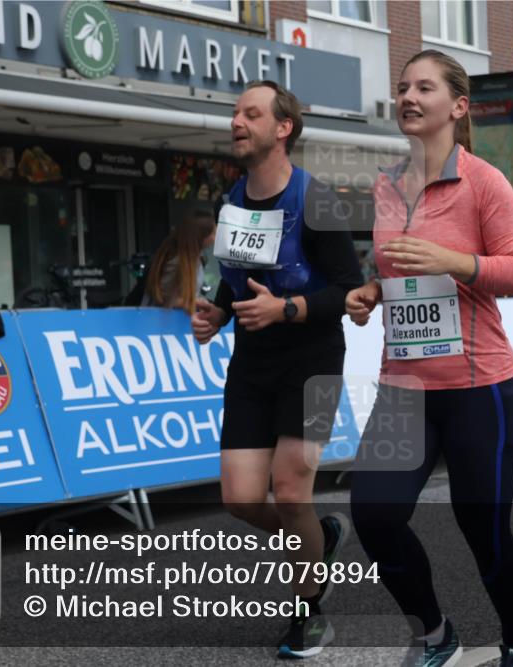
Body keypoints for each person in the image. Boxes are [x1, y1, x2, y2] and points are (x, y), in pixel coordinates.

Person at [345, 50, 513, 667]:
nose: (408, 96)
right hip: (404, 385)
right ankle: (436, 634)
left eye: (424, 88)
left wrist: (453, 262)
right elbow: (398, 271)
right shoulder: (385, 184)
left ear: (457, 107)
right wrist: (372, 292)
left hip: (477, 385)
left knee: (482, 530)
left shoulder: (485, 182)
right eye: (402, 87)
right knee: (374, 518)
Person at [190, 80, 363, 659]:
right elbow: (237, 268)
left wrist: (285, 308)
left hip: (314, 359)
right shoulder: (233, 200)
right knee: (241, 498)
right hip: (253, 361)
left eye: (250, 114)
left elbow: (347, 290)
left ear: (282, 128)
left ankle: (308, 617)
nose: (236, 121)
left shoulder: (317, 200)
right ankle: (318, 536)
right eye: (235, 113)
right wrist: (218, 307)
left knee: (291, 493)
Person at [138, 210, 216, 312]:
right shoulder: (176, 260)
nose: (215, 237)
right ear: (201, 236)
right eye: (213, 233)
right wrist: (196, 303)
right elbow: (163, 298)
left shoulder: (195, 258)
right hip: (163, 322)